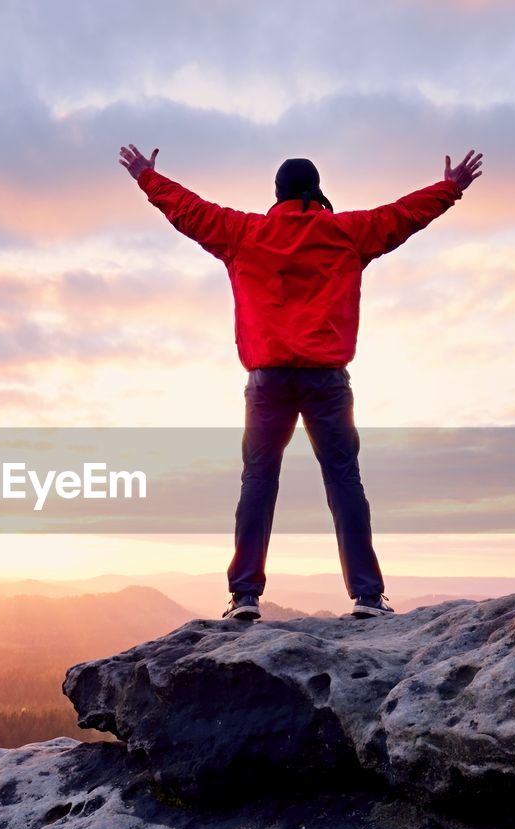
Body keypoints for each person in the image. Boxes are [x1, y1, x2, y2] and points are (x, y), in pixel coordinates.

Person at [119, 143, 483, 621]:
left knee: (258, 480)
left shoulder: (244, 233)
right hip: (327, 380)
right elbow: (402, 216)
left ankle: (245, 596)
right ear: (317, 191)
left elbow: (189, 211)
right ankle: (368, 597)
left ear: (277, 194)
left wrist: (147, 176)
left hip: (267, 382)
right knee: (344, 480)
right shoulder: (346, 234)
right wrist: (450, 188)